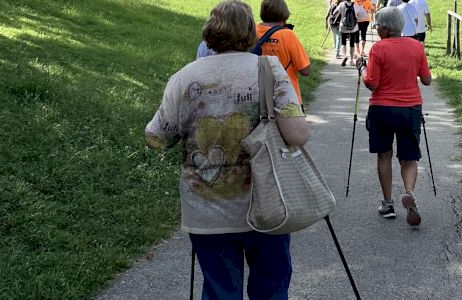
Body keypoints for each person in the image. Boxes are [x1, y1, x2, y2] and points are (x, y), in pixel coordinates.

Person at [144, 0, 309, 298]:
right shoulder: (267, 69)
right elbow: (298, 135)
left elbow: (157, 138)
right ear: (249, 33)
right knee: (271, 289)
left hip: (206, 210)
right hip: (267, 204)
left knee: (221, 291)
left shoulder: (184, 77)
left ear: (210, 31)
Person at [356, 7, 431, 227]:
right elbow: (426, 81)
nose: (376, 29)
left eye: (377, 26)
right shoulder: (416, 46)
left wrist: (362, 69)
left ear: (386, 28)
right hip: (410, 109)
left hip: (382, 109)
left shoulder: (378, 49)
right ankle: (409, 193)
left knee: (384, 155)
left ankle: (388, 203)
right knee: (409, 157)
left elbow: (372, 84)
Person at [257, 0, 312, 106]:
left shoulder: (251, 31)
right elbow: (305, 71)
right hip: (286, 96)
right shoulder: (287, 35)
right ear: (284, 15)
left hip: (258, 94)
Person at [334, 0, 366, 66]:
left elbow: (334, 13)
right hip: (354, 26)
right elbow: (363, 15)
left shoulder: (341, 4)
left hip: (343, 25)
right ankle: (351, 61)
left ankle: (344, 55)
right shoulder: (356, 4)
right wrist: (357, 18)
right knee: (352, 43)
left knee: (343, 42)